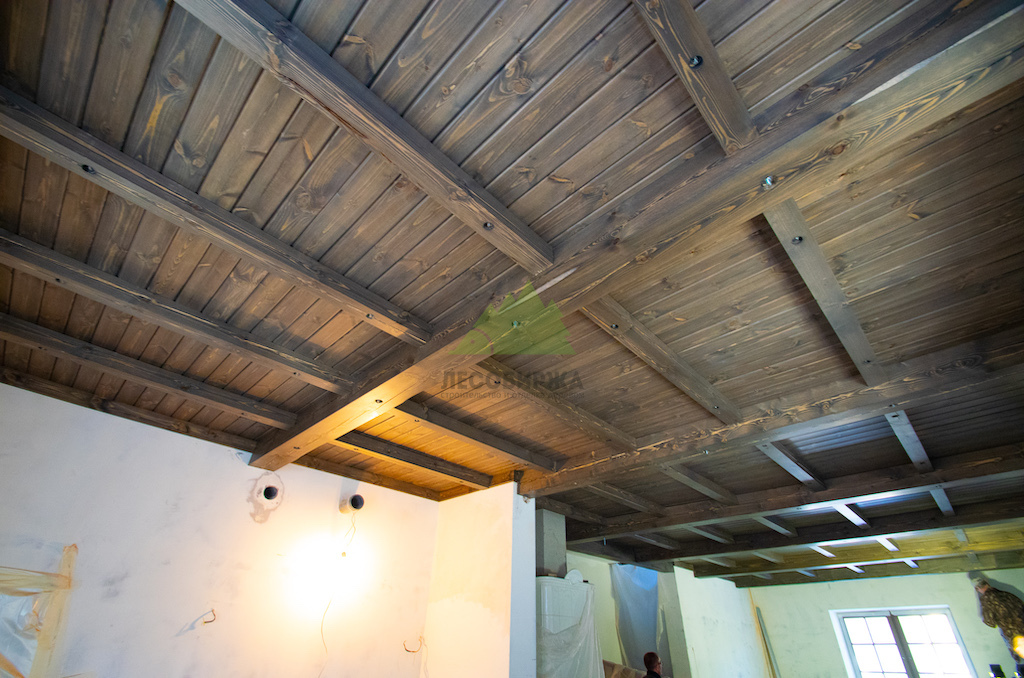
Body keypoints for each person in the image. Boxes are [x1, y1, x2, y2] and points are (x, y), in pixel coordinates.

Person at [974, 579, 1024, 664]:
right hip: (1021, 626)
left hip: (1010, 632)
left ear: (978, 588)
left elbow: (990, 622)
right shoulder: (1006, 594)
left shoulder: (986, 599)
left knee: (1019, 657)